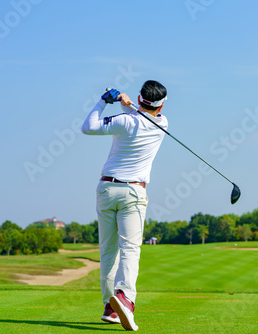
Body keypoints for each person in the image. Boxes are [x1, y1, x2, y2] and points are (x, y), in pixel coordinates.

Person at [81, 81, 168, 331]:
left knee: (108, 251)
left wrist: (104, 101)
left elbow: (88, 127)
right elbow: (144, 117)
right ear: (162, 104)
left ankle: (110, 308)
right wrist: (130, 107)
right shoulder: (162, 124)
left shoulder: (123, 120)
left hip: (106, 189)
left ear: (140, 99)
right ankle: (125, 300)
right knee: (130, 248)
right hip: (133, 191)